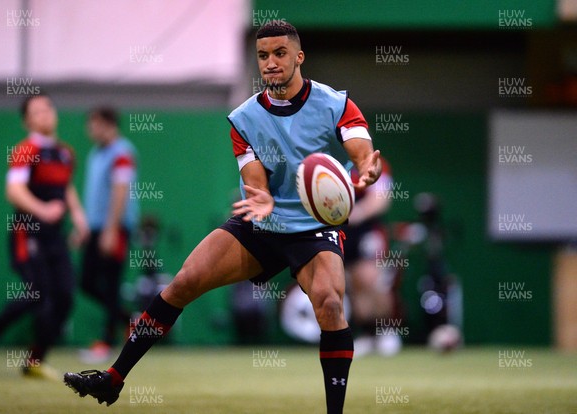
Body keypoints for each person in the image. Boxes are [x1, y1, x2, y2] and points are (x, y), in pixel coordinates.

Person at [64, 21, 381, 414]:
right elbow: (255, 183)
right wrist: (262, 200)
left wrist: (366, 171)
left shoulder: (335, 103)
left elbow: (363, 155)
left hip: (315, 227)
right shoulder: (244, 117)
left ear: (299, 57)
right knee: (184, 281)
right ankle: (113, 379)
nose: (270, 63)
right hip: (263, 222)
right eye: (263, 55)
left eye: (280, 53)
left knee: (330, 304)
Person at [0, 93, 89, 379]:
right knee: (35, 292)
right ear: (27, 120)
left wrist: (78, 218)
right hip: (27, 233)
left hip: (55, 238)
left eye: (48, 108)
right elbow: (13, 190)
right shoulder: (26, 150)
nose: (45, 114)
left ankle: (34, 361)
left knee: (64, 296)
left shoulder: (65, 153)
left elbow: (65, 188)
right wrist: (42, 209)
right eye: (36, 112)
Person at [78, 107, 138, 364]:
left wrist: (111, 230)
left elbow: (120, 190)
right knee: (86, 282)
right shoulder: (95, 153)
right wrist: (84, 228)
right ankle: (129, 320)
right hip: (95, 228)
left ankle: (106, 341)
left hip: (115, 229)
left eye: (93, 124)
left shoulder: (122, 152)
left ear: (107, 124)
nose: (89, 130)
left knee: (112, 283)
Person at [344, 161, 403, 357]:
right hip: (343, 231)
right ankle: (368, 334)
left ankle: (386, 330)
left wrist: (354, 214)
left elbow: (381, 199)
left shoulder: (376, 165)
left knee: (372, 280)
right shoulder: (329, 162)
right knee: (354, 284)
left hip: (367, 230)